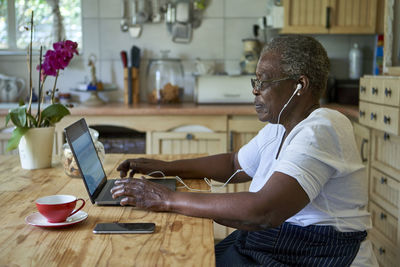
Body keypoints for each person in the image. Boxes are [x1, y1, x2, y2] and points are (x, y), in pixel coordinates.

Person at [111, 35, 377, 266]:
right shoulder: (280, 125)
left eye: (264, 81)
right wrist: (160, 166)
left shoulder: (322, 128)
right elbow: (233, 165)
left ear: (300, 85)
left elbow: (264, 211)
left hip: (316, 254)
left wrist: (167, 199)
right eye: (256, 80)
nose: (255, 90)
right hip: (275, 244)